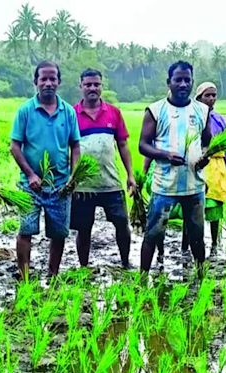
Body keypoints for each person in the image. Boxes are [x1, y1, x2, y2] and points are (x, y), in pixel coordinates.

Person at [138, 60, 211, 276]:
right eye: (178, 80)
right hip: (164, 186)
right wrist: (165, 155)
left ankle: (201, 278)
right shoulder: (155, 110)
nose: (182, 84)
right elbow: (143, 145)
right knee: (152, 234)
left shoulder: (202, 110)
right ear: (168, 82)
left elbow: (208, 143)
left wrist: (204, 157)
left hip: (194, 186)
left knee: (197, 236)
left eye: (187, 80)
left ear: (192, 82)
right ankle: (143, 278)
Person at [10, 61, 80, 278]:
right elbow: (14, 146)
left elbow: (75, 146)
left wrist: (74, 177)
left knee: (59, 233)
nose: (48, 83)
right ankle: (24, 276)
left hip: (60, 185)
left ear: (59, 82)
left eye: (53, 79)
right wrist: (30, 174)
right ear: (36, 82)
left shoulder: (67, 112)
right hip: (31, 185)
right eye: (44, 79)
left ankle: (53, 274)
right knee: (26, 229)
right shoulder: (25, 111)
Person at [71, 68, 136, 269]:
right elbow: (67, 147)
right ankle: (83, 266)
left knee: (122, 223)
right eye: (88, 84)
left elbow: (123, 145)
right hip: (83, 185)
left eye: (96, 84)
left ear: (102, 86)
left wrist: (130, 175)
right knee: (84, 228)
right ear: (80, 86)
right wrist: (70, 178)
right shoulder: (71, 113)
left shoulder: (114, 113)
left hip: (111, 182)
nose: (92, 88)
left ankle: (125, 262)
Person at [195, 82, 226, 255]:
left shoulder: (219, 119)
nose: (211, 99)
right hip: (199, 164)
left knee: (215, 206)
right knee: (194, 208)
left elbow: (225, 148)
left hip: (217, 167)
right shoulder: (194, 116)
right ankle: (192, 243)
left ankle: (215, 244)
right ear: (199, 98)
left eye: (213, 95)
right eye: (207, 95)